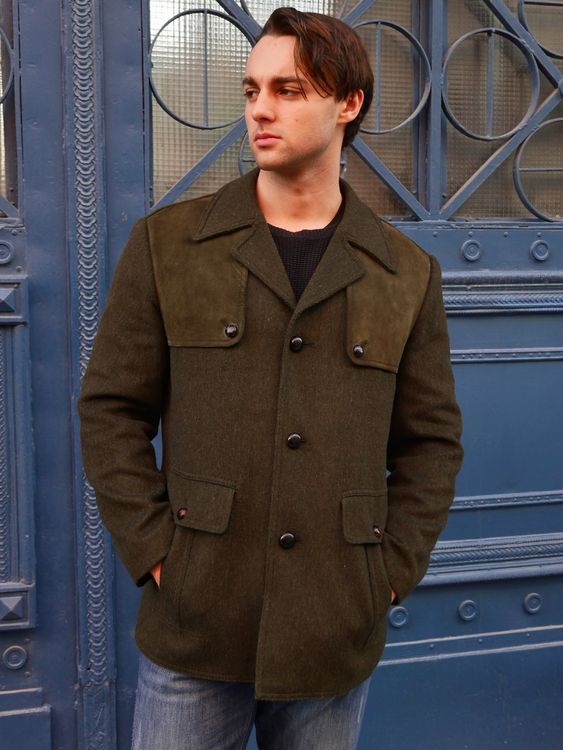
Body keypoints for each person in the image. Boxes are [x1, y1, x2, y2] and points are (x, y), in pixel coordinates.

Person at [78, 7, 463, 749]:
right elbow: (110, 409)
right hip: (196, 625)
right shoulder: (169, 246)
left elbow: (431, 442)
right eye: (252, 89)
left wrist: (385, 574)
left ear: (347, 104)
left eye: (288, 90)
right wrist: (157, 553)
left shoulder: (403, 272)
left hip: (333, 628)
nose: (259, 108)